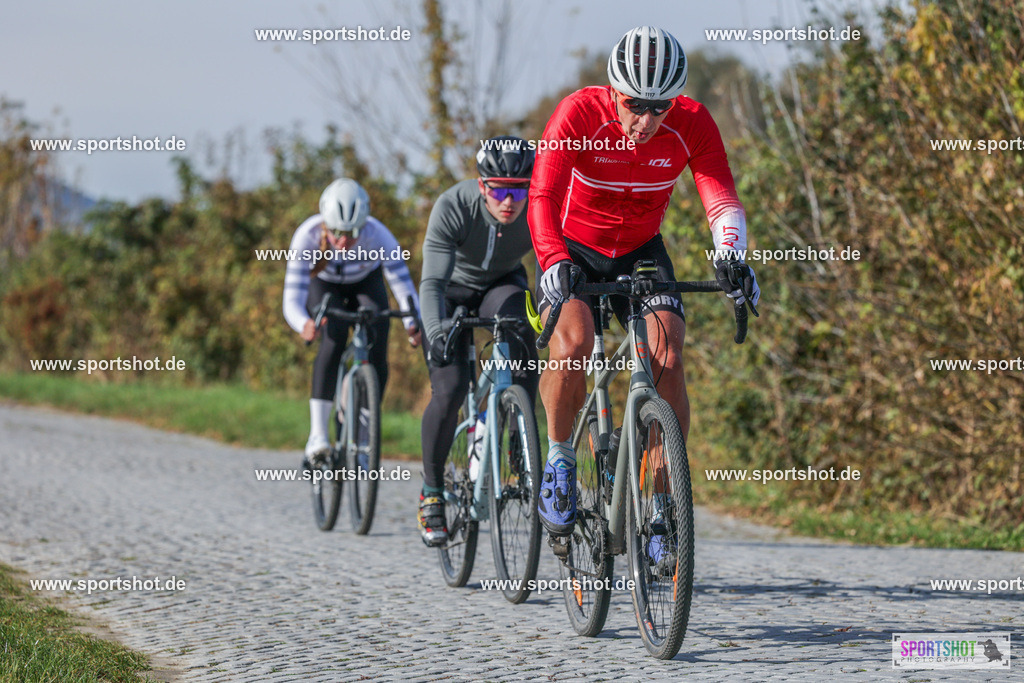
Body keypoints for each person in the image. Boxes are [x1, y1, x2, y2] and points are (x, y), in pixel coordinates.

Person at [528, 26, 761, 552]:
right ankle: (560, 458)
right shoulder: (578, 114)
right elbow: (541, 196)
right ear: (614, 90)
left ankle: (658, 503)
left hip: (640, 250)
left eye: (659, 107)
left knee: (668, 356)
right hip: (572, 247)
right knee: (574, 341)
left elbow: (720, 193)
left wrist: (731, 253)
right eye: (635, 105)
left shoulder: (693, 123)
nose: (646, 120)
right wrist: (552, 260)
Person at [417, 136, 539, 547]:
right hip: (452, 290)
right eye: (499, 190)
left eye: (518, 190)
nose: (509, 201)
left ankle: (522, 451)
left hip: (502, 285)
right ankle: (432, 492)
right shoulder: (453, 206)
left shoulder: (538, 208)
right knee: (450, 391)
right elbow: (432, 282)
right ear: (482, 185)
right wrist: (435, 333)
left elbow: (552, 267)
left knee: (523, 334)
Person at [283, 178, 421, 465]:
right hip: (325, 287)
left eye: (353, 232)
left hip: (365, 283)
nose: (344, 240)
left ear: (364, 225)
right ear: (325, 225)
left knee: (378, 343)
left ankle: (361, 430)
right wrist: (303, 323)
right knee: (332, 339)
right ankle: (318, 436)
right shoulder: (306, 236)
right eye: (336, 233)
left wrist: (413, 322)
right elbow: (292, 297)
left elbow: (402, 285)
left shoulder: (378, 234)